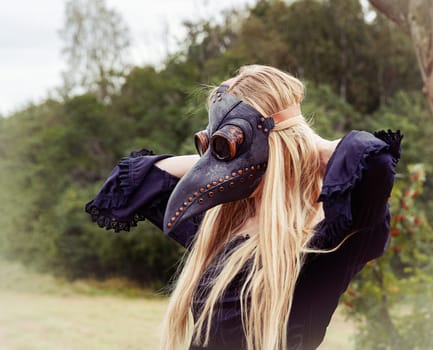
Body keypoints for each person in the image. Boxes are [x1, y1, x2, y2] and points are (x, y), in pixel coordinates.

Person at [85, 65, 402, 350]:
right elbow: (128, 183)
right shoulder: (219, 227)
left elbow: (375, 161)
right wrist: (217, 158)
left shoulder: (326, 239)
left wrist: (300, 147)